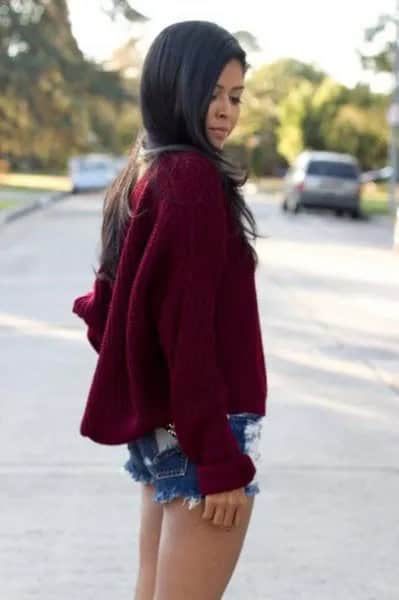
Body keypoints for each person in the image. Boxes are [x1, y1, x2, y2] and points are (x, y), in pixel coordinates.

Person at [72, 20, 268, 600]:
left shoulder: (145, 170)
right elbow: (187, 333)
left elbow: (111, 309)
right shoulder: (190, 179)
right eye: (211, 92)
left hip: (169, 427)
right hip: (206, 429)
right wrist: (217, 456)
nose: (226, 111)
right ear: (173, 86)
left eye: (235, 96)